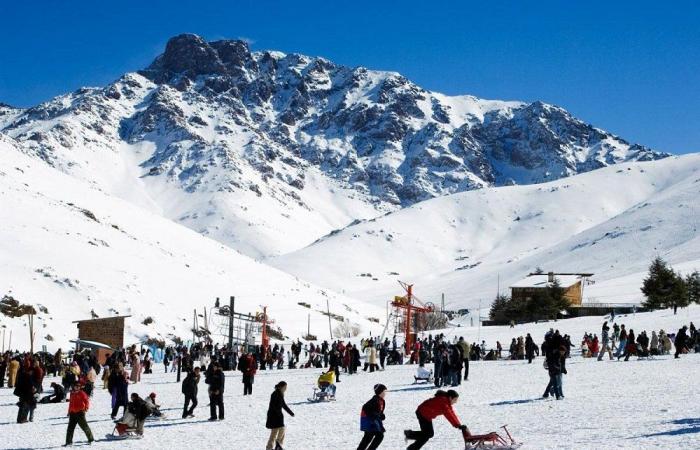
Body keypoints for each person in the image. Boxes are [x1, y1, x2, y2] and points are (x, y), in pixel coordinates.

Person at [266, 381, 294, 450]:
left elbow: (283, 404)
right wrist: (278, 413)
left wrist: (290, 413)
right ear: (281, 387)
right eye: (285, 387)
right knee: (275, 432)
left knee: (281, 430)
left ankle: (278, 445)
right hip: (274, 416)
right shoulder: (275, 394)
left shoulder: (280, 394)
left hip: (278, 416)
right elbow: (273, 406)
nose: (286, 389)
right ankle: (270, 447)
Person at [357, 384, 387, 450]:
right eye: (384, 391)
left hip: (373, 421)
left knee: (369, 437)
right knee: (378, 436)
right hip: (368, 421)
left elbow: (379, 411)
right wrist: (375, 415)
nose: (385, 393)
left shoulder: (382, 401)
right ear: (380, 392)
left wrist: (381, 415)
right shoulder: (374, 400)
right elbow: (365, 407)